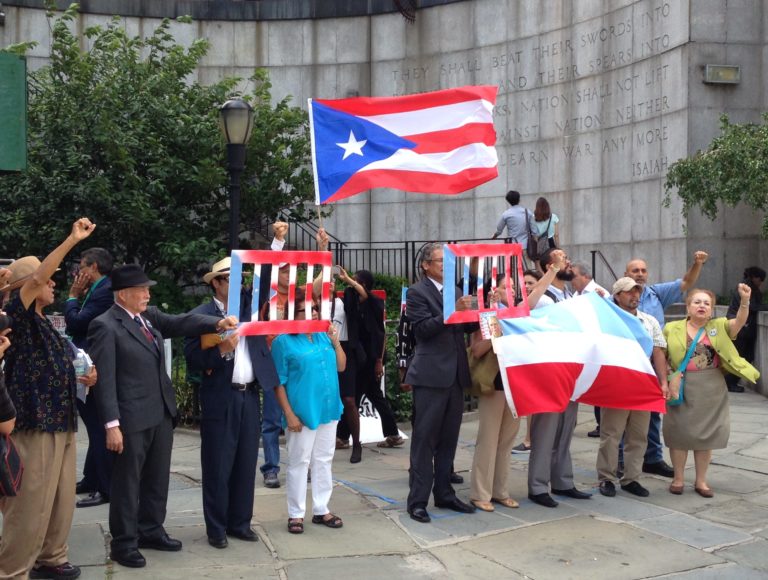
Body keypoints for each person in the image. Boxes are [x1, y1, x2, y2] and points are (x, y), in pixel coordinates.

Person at [88, 264, 237, 568]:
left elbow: (182, 322)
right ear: (123, 294)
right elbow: (105, 380)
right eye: (142, 290)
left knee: (157, 480)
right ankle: (124, 542)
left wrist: (218, 322)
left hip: (160, 412)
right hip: (129, 418)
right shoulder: (106, 325)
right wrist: (111, 424)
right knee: (128, 483)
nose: (147, 294)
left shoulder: (148, 316)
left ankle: (151, 529)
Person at [0, 218, 95, 580]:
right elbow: (39, 277)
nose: (53, 282)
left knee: (59, 499)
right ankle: (12, 570)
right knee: (30, 504)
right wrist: (72, 239)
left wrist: (85, 374)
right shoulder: (18, 317)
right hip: (34, 423)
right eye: (46, 278)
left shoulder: (44, 322)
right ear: (28, 285)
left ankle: (51, 557)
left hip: (62, 420)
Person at [184, 257, 280, 549]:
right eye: (232, 279)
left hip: (249, 394)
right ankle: (217, 528)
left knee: (246, 460)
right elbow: (193, 358)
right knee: (217, 463)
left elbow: (268, 284)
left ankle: (240, 522)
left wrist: (276, 246)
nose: (240, 284)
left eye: (242, 279)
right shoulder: (201, 315)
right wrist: (222, 350)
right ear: (216, 282)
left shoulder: (249, 310)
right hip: (220, 395)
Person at [469, 255, 565, 512]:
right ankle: (481, 492)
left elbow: (537, 293)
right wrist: (495, 325)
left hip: (515, 384)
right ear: (495, 290)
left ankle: (500, 491)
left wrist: (553, 269)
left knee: (506, 442)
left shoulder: (518, 313)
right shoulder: (489, 313)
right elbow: (477, 350)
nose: (512, 290)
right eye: (506, 286)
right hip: (494, 383)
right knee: (488, 440)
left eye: (514, 287)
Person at [405, 243, 477, 524]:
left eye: (448, 262)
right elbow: (422, 330)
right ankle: (418, 501)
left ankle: (445, 493)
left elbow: (465, 327)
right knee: (424, 440)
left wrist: (482, 308)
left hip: (455, 374)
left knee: (449, 439)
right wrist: (451, 311)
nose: (445, 267)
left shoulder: (456, 292)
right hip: (431, 374)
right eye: (439, 261)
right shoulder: (416, 292)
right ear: (425, 265)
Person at [664, 286, 758, 497]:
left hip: (711, 386)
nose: (702, 306)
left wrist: (745, 301)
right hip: (680, 384)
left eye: (706, 303)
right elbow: (661, 354)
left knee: (705, 435)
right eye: (697, 302)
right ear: (688, 307)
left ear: (712, 309)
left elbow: (739, 322)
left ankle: (701, 481)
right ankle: (678, 478)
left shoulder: (718, 327)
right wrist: (667, 377)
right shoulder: (671, 328)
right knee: (678, 431)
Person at [624, 251, 708, 478]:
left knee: (653, 411)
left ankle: (652, 458)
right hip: (627, 364)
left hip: (654, 361)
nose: (640, 275)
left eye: (643, 270)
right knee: (623, 414)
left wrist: (696, 263)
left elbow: (687, 282)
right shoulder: (618, 296)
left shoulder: (656, 293)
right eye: (635, 271)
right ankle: (621, 460)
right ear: (626, 274)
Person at [271, 289, 346, 535]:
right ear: (295, 313)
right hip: (302, 411)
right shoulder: (283, 341)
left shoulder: (322, 335)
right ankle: (296, 513)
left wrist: (335, 341)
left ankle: (321, 508)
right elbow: (277, 381)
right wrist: (289, 414)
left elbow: (342, 366)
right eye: (308, 309)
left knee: (324, 459)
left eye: (315, 308)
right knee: (299, 461)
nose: (314, 313)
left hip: (328, 406)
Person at [527, 248, 593, 508]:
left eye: (565, 258)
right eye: (560, 258)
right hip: (551, 370)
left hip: (570, 369)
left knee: (566, 429)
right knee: (545, 431)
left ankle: (563, 481)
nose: (567, 261)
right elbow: (528, 307)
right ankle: (538, 485)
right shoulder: (543, 298)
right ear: (547, 266)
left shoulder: (569, 295)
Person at [597, 278, 669, 499]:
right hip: (617, 383)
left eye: (637, 292)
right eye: (629, 292)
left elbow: (658, 351)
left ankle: (631, 478)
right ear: (617, 295)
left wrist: (663, 381)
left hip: (643, 383)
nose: (635, 296)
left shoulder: (649, 321)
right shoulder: (607, 319)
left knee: (639, 435)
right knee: (612, 433)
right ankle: (606, 477)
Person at [64, 247, 115, 508]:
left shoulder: (104, 292)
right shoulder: (98, 290)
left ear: (93, 267)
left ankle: (104, 487)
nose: (79, 273)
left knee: (97, 427)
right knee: (93, 424)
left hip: (94, 369)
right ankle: (91, 477)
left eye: (82, 267)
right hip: (87, 365)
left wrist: (73, 297)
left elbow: (76, 323)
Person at [510, 269, 543, 454]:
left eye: (531, 283)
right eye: (524, 283)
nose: (527, 287)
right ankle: (530, 439)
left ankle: (531, 440)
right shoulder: (513, 306)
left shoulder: (542, 301)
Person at [724, 266, 765, 392]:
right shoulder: (747, 288)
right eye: (760, 280)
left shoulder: (745, 286)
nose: (761, 283)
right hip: (741, 329)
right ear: (755, 278)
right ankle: (730, 383)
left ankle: (731, 383)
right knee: (741, 356)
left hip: (743, 328)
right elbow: (751, 306)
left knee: (743, 356)